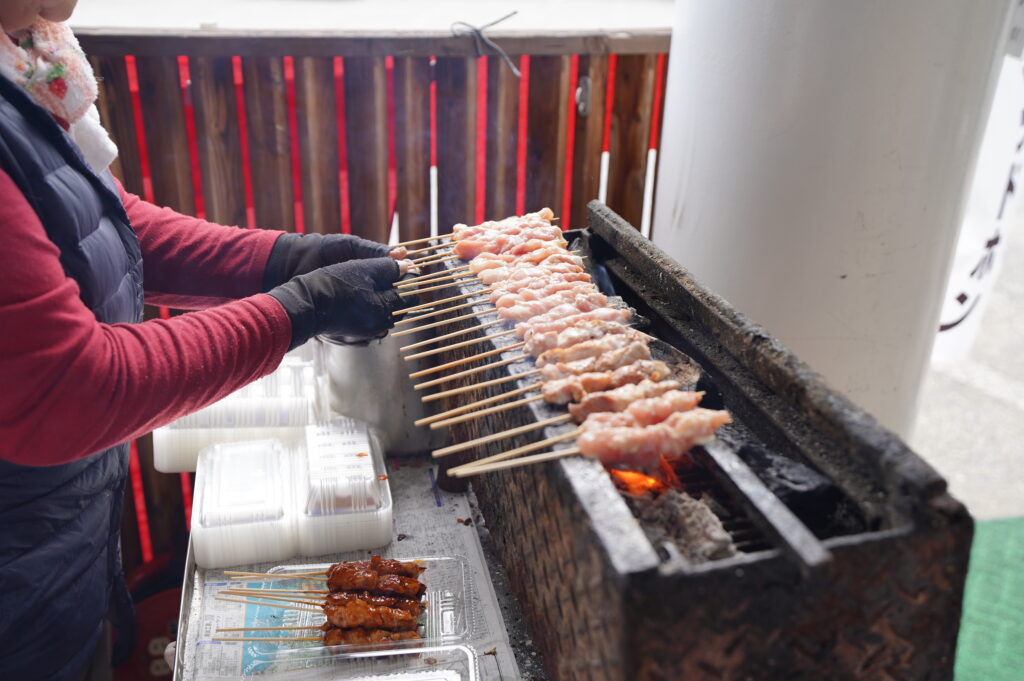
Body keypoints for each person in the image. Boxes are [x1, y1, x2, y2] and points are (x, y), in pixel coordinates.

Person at [0, 3, 411, 679]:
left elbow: (105, 229)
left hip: (54, 551)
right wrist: (293, 312)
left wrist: (281, 260)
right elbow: (66, 386)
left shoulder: (24, 57)